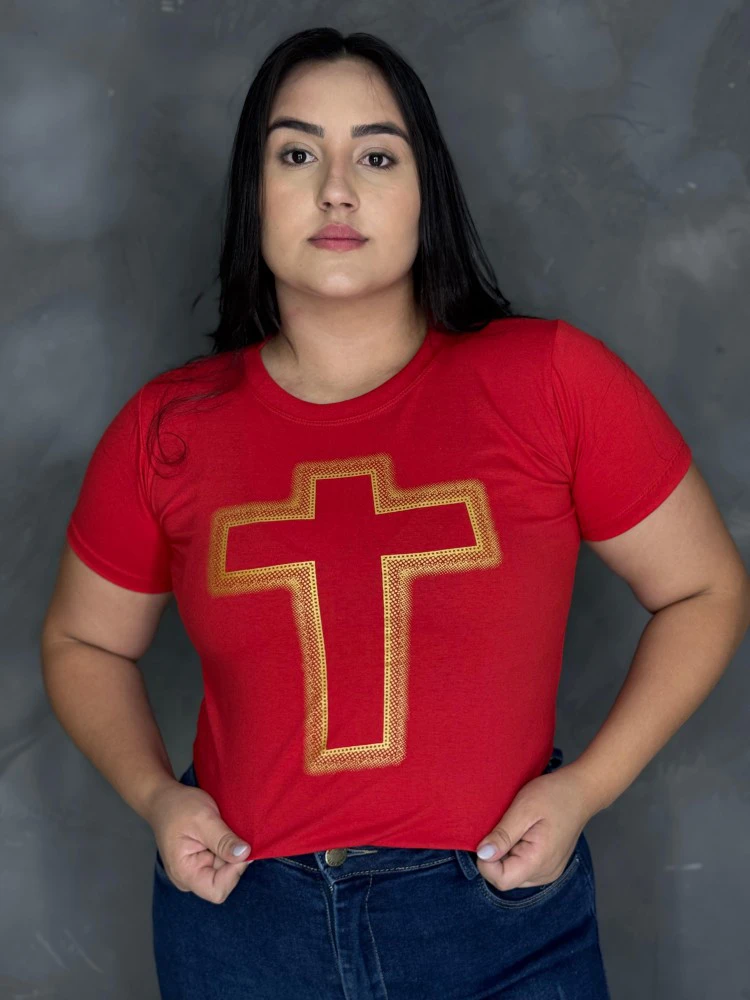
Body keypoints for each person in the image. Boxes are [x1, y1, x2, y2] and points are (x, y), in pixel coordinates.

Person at [40, 26, 749, 1000]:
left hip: (499, 920)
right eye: (297, 155)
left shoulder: (549, 380)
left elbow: (706, 588)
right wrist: (158, 796)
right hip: (243, 930)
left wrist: (586, 787)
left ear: (428, 193)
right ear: (254, 194)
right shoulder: (168, 429)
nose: (337, 189)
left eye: (377, 156)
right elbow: (83, 641)